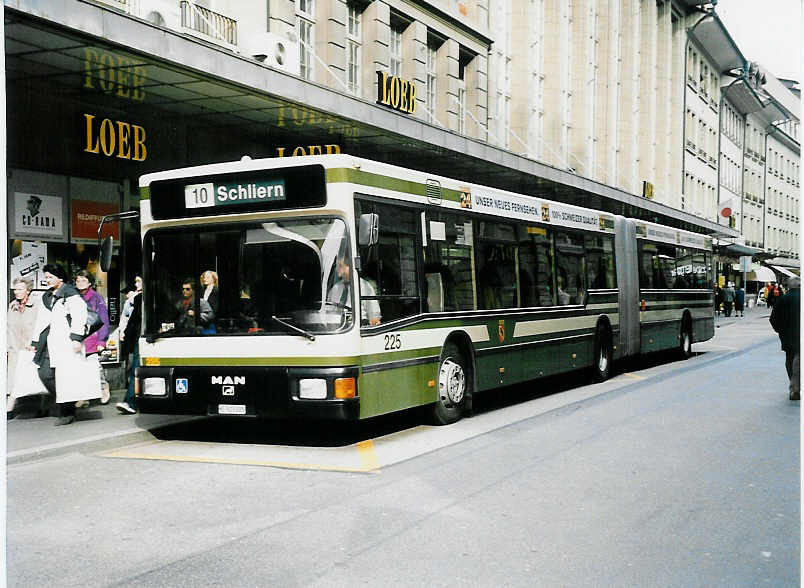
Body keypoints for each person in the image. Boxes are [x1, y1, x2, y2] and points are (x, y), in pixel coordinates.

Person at [30, 264, 100, 425]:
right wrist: (34, 341)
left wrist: (76, 338)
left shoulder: (69, 293)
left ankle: (67, 411)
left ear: (59, 277)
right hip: (49, 343)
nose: (47, 280)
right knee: (45, 374)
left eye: (49, 277)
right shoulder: (47, 296)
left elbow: (80, 315)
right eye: (46, 277)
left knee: (65, 377)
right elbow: (41, 320)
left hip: (66, 343)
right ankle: (67, 400)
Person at [74, 270, 111, 406]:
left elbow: (103, 320)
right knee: (79, 368)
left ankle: (103, 388)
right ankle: (83, 396)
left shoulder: (96, 298)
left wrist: (102, 340)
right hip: (78, 338)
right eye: (78, 280)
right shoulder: (74, 297)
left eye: (83, 280)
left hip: (92, 338)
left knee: (95, 367)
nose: (80, 283)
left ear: (89, 282)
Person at [7, 278, 39, 417]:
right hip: (14, 348)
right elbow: (8, 328)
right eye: (15, 289)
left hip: (29, 348)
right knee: (13, 378)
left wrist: (35, 344)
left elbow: (39, 326)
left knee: (33, 379)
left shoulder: (36, 305)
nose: (16, 292)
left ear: (28, 290)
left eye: (20, 289)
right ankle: (9, 407)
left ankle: (41, 405)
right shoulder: (12, 305)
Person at [770, 276, 800, 401]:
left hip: (787, 336)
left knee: (790, 358)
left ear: (789, 286)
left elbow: (773, 319)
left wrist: (780, 331)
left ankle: (794, 387)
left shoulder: (783, 299)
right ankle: (795, 387)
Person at [327, 255, 381, 326]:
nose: (337, 269)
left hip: (358, 327)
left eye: (340, 266)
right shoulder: (335, 288)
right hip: (337, 329)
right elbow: (328, 311)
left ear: (350, 266)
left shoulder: (364, 287)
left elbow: (374, 316)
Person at [116, 282, 142, 415]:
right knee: (135, 369)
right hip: (139, 338)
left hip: (142, 338)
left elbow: (133, 322)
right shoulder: (137, 299)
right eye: (135, 282)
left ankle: (131, 401)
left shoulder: (140, 298)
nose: (136, 284)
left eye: (138, 281)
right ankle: (130, 401)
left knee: (136, 369)